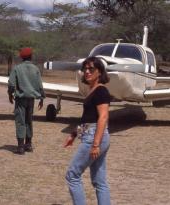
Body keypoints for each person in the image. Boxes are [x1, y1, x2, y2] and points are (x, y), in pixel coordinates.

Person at [64, 56, 111, 205]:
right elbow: (87, 117)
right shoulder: (92, 90)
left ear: (100, 72)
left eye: (91, 69)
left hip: (95, 136)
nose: (87, 71)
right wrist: (73, 134)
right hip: (92, 134)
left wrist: (95, 144)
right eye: (85, 69)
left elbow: (103, 117)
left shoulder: (101, 91)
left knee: (72, 175)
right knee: (99, 180)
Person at [8, 47, 45, 155]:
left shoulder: (17, 68)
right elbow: (40, 86)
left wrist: (10, 94)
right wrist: (41, 98)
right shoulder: (35, 69)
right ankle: (28, 144)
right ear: (31, 56)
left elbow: (11, 84)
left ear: (21, 57)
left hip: (21, 99)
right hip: (31, 99)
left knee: (20, 121)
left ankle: (20, 147)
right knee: (29, 120)